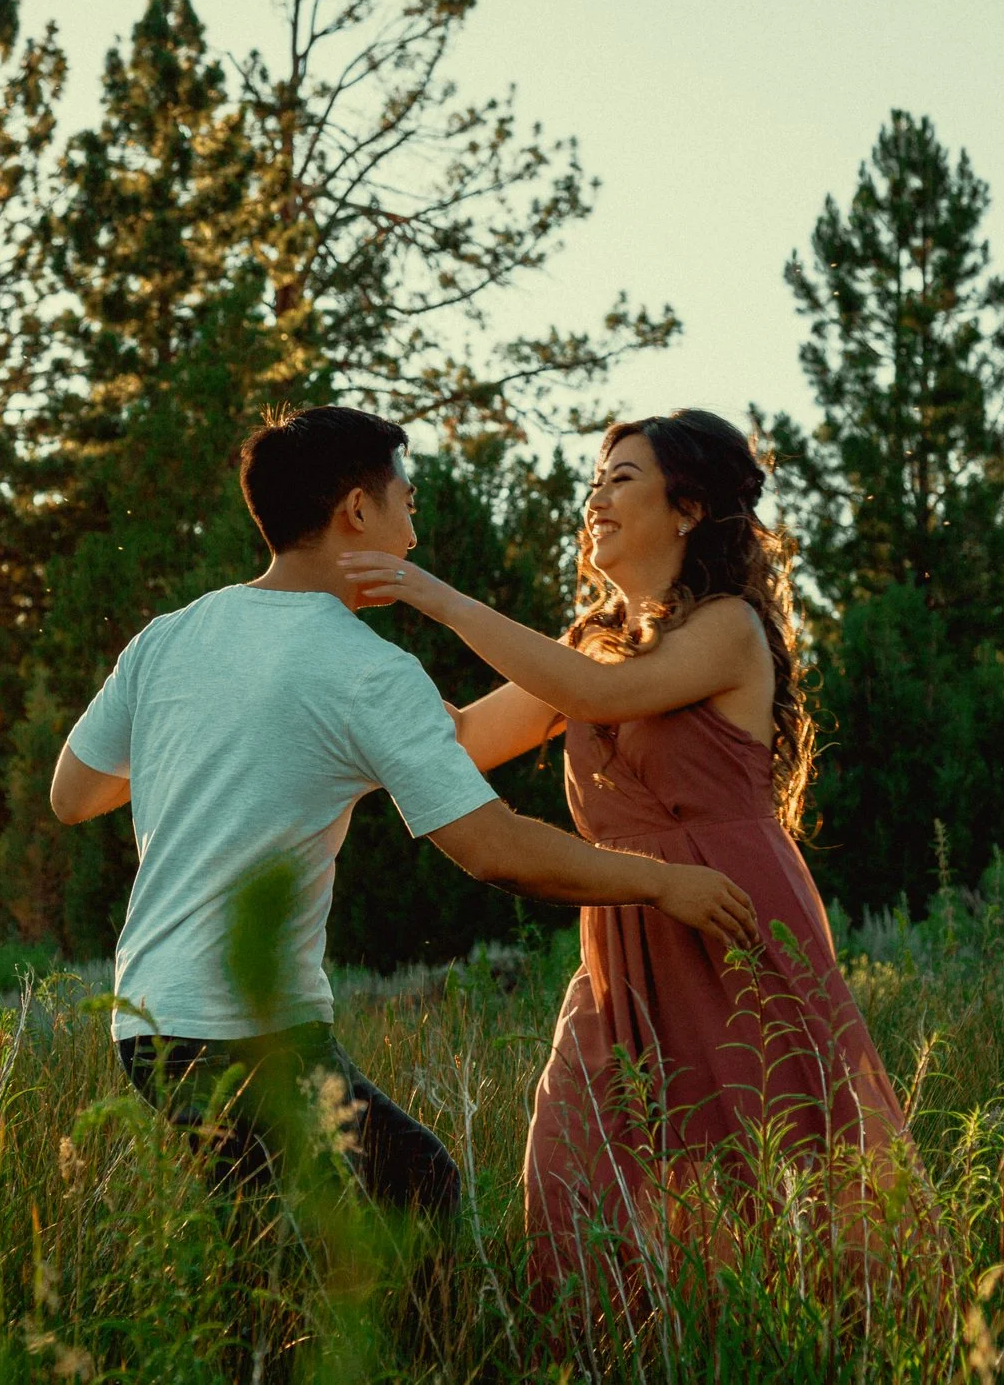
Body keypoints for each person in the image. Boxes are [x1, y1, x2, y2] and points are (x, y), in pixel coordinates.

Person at [49, 405, 756, 1222]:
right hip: (245, 1023)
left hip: (147, 1021)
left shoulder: (168, 638)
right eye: (406, 497)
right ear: (357, 509)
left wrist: (213, 742)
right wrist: (659, 884)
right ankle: (421, 1352)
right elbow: (495, 850)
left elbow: (75, 794)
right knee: (414, 1196)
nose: (415, 521)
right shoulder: (366, 671)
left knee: (282, 1230)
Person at [341, 408, 908, 1292]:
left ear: (686, 508)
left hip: (730, 920)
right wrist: (325, 679)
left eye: (622, 478)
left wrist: (434, 594)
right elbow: (457, 738)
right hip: (625, 930)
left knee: (766, 1172)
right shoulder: (588, 644)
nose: (595, 497)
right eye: (597, 479)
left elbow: (598, 698)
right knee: (575, 1164)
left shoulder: (728, 628)